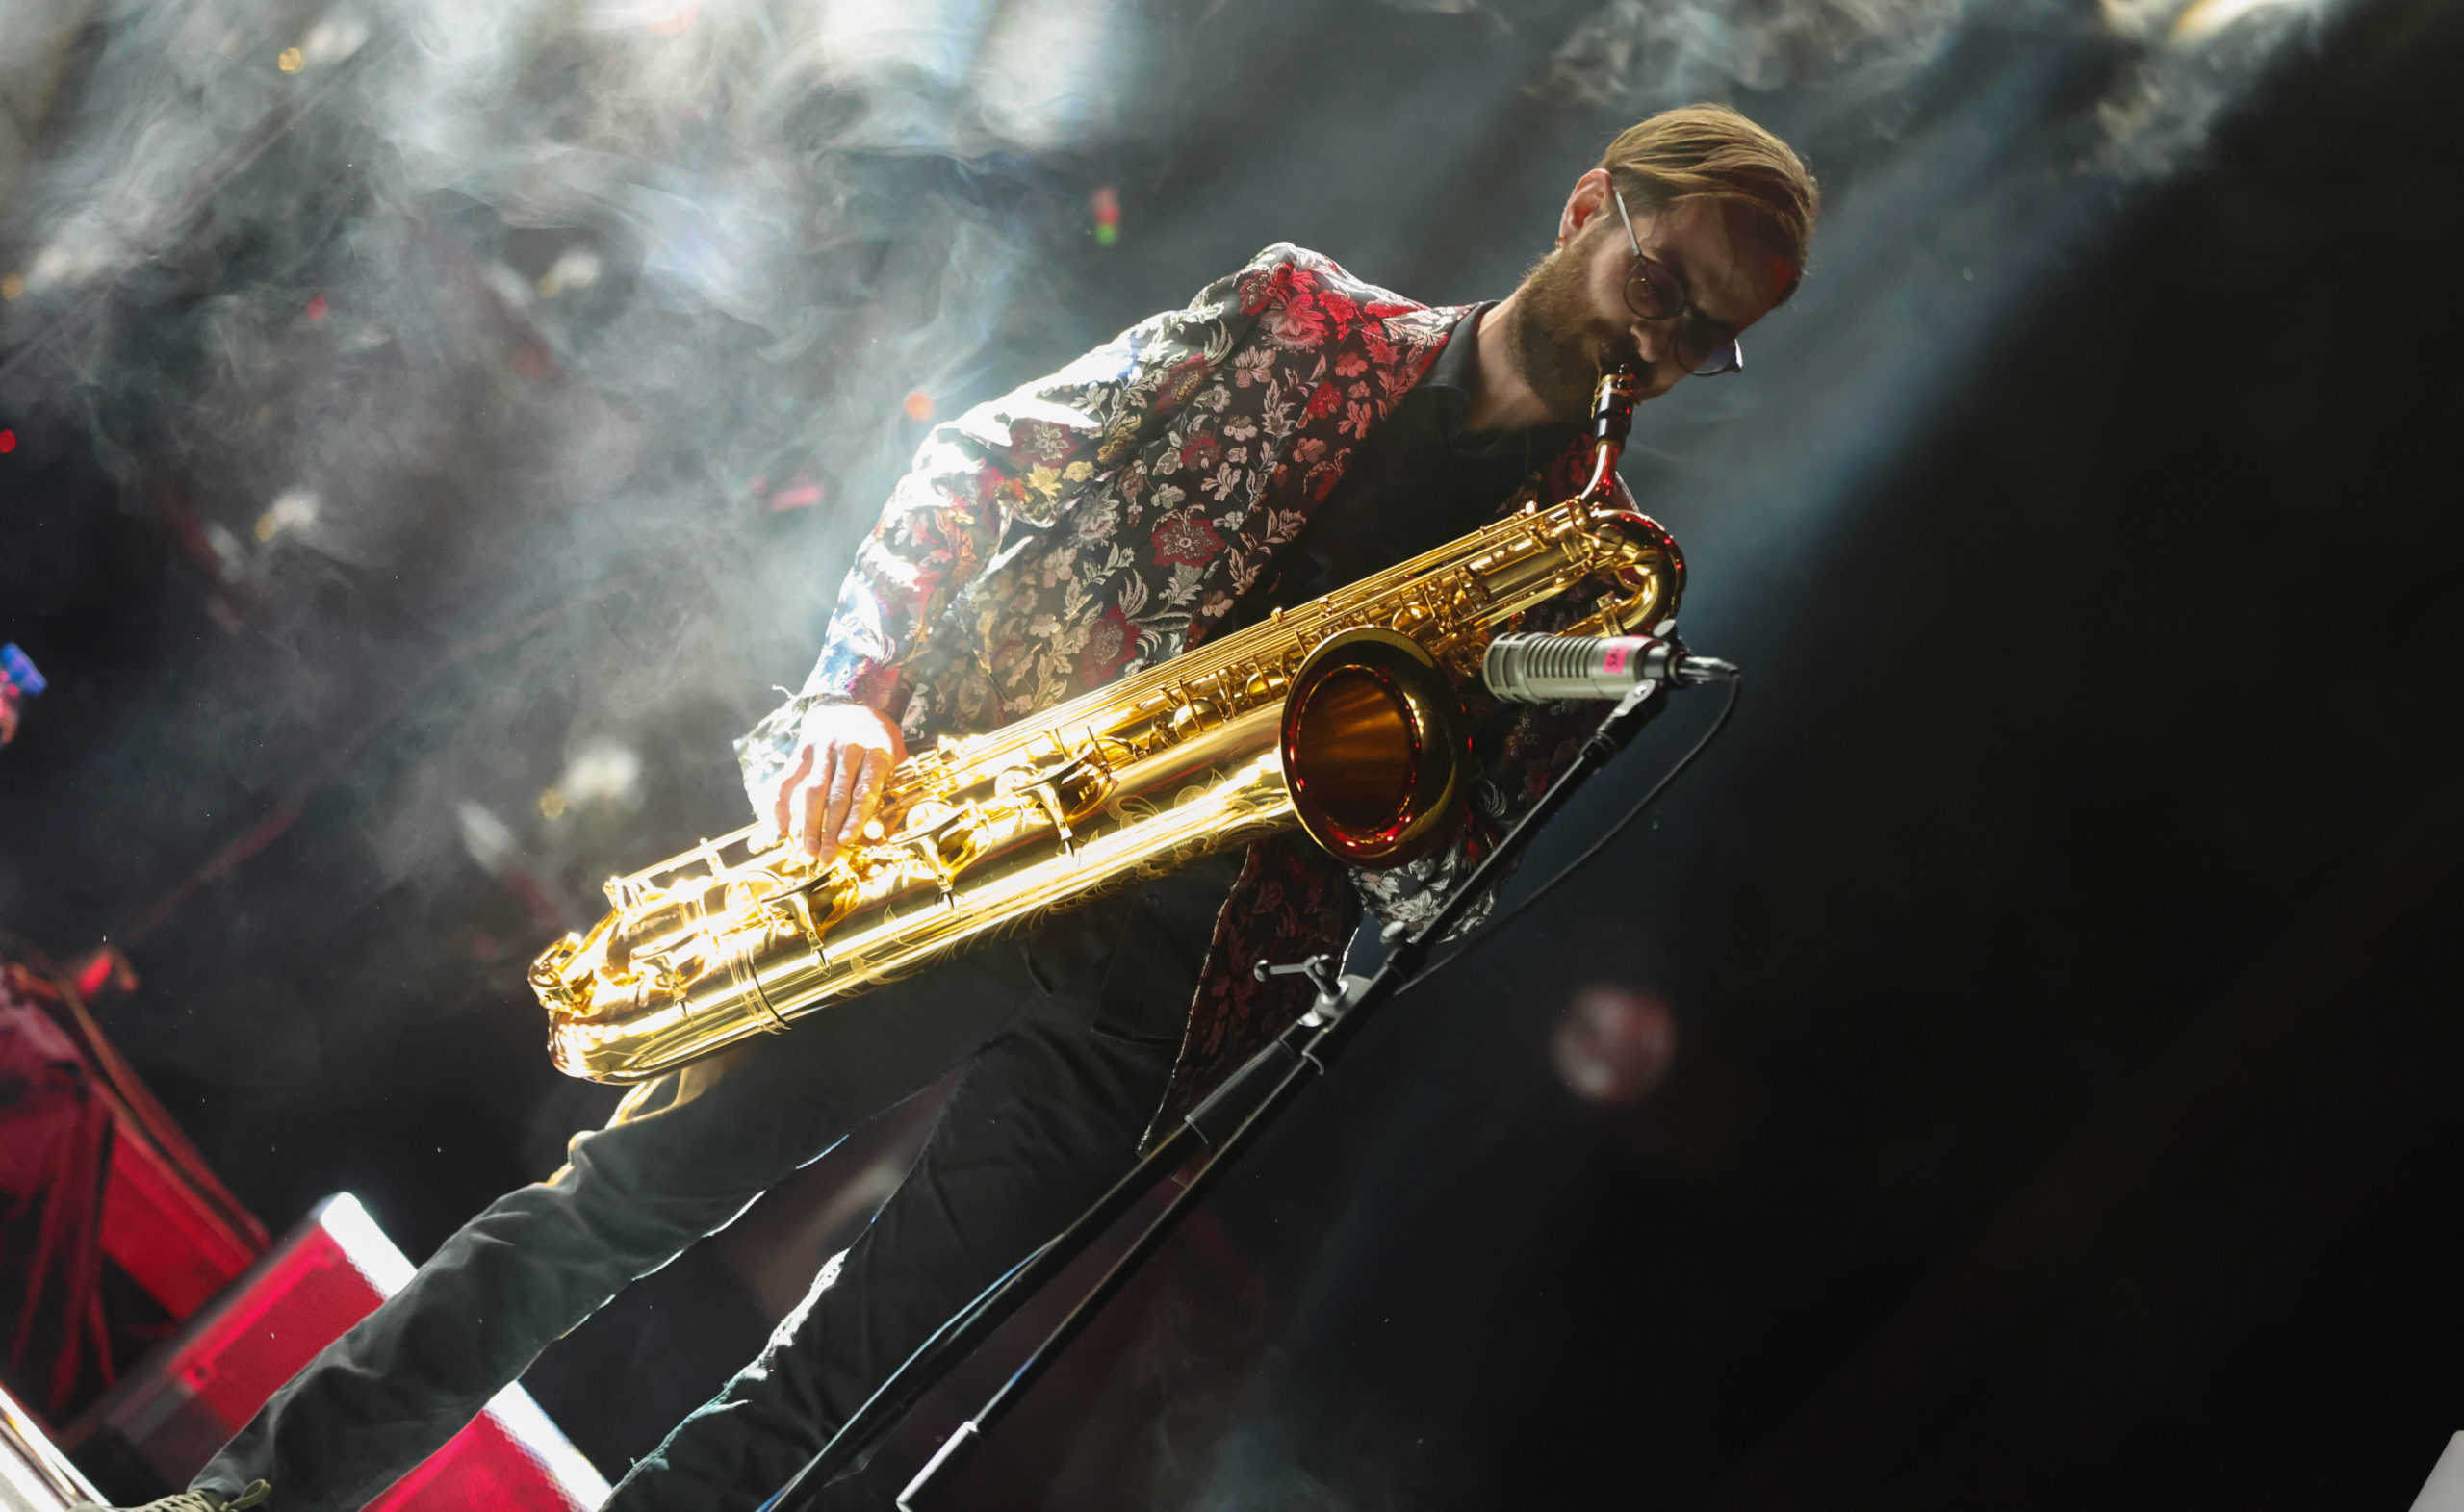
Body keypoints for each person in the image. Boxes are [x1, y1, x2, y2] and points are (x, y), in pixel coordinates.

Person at [87, 102, 1816, 1512]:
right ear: (1587, 204)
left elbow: (1446, 881)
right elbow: (982, 463)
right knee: (617, 1208)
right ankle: (252, 1505)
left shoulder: (1590, 582)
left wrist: (1521, 725)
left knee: (832, 1400)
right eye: (1658, 280)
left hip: (1169, 1001)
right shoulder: (1299, 316)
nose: (1657, 339)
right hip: (967, 838)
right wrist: (855, 688)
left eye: (1704, 337)